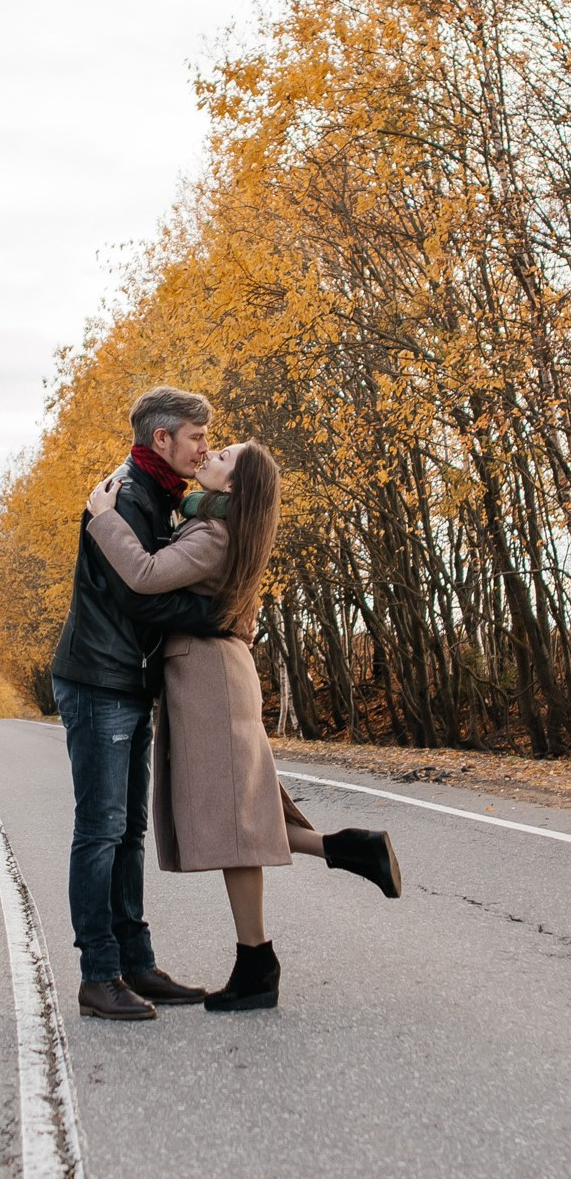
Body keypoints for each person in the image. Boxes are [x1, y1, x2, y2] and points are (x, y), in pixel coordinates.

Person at [86, 437, 402, 1013]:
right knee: (244, 813)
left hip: (208, 679)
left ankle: (258, 963)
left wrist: (104, 519)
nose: (210, 455)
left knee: (234, 823)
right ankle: (344, 855)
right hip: (219, 674)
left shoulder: (212, 534)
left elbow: (144, 574)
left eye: (223, 457)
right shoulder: (228, 529)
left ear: (233, 486)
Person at [51, 386, 221, 1021]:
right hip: (99, 679)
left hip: (126, 679)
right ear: (163, 440)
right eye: (197, 437)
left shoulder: (157, 493)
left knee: (128, 830)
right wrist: (216, 613)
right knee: (101, 830)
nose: (205, 447)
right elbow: (141, 595)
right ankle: (99, 974)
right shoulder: (127, 495)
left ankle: (137, 964)